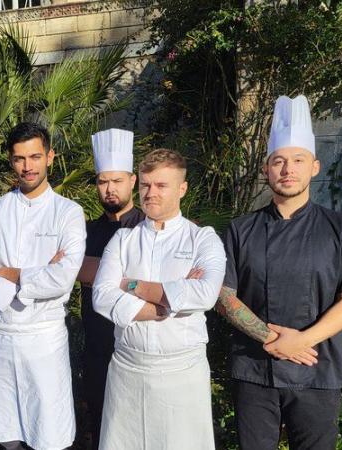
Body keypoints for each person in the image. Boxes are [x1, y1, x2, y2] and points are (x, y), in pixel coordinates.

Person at [217, 95, 342, 450]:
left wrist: (302, 341)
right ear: (266, 169)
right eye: (279, 161)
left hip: (318, 370)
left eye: (297, 160)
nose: (288, 169)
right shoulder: (240, 230)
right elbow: (223, 295)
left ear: (314, 167)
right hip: (254, 372)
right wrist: (271, 339)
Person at [93, 148, 226, 450]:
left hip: (182, 376)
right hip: (128, 371)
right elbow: (102, 296)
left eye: (161, 185)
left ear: (182, 188)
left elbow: (204, 294)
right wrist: (166, 304)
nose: (150, 193)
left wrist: (131, 284)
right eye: (145, 185)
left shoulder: (202, 239)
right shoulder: (123, 239)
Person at [0, 122, 86, 450]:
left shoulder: (69, 213)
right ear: (10, 160)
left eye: (35, 157)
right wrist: (37, 275)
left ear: (50, 156)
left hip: (46, 340)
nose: (27, 166)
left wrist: (10, 273)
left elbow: (62, 280)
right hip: (2, 337)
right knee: (7, 439)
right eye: (20, 159)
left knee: (49, 436)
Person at [76, 128, 144, 450]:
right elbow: (75, 272)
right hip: (97, 347)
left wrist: (97, 274)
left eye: (117, 181)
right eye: (103, 181)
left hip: (138, 345)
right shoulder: (85, 231)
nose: (110, 189)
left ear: (132, 181)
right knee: (102, 428)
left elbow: (90, 273)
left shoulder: (148, 227)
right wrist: (134, 281)